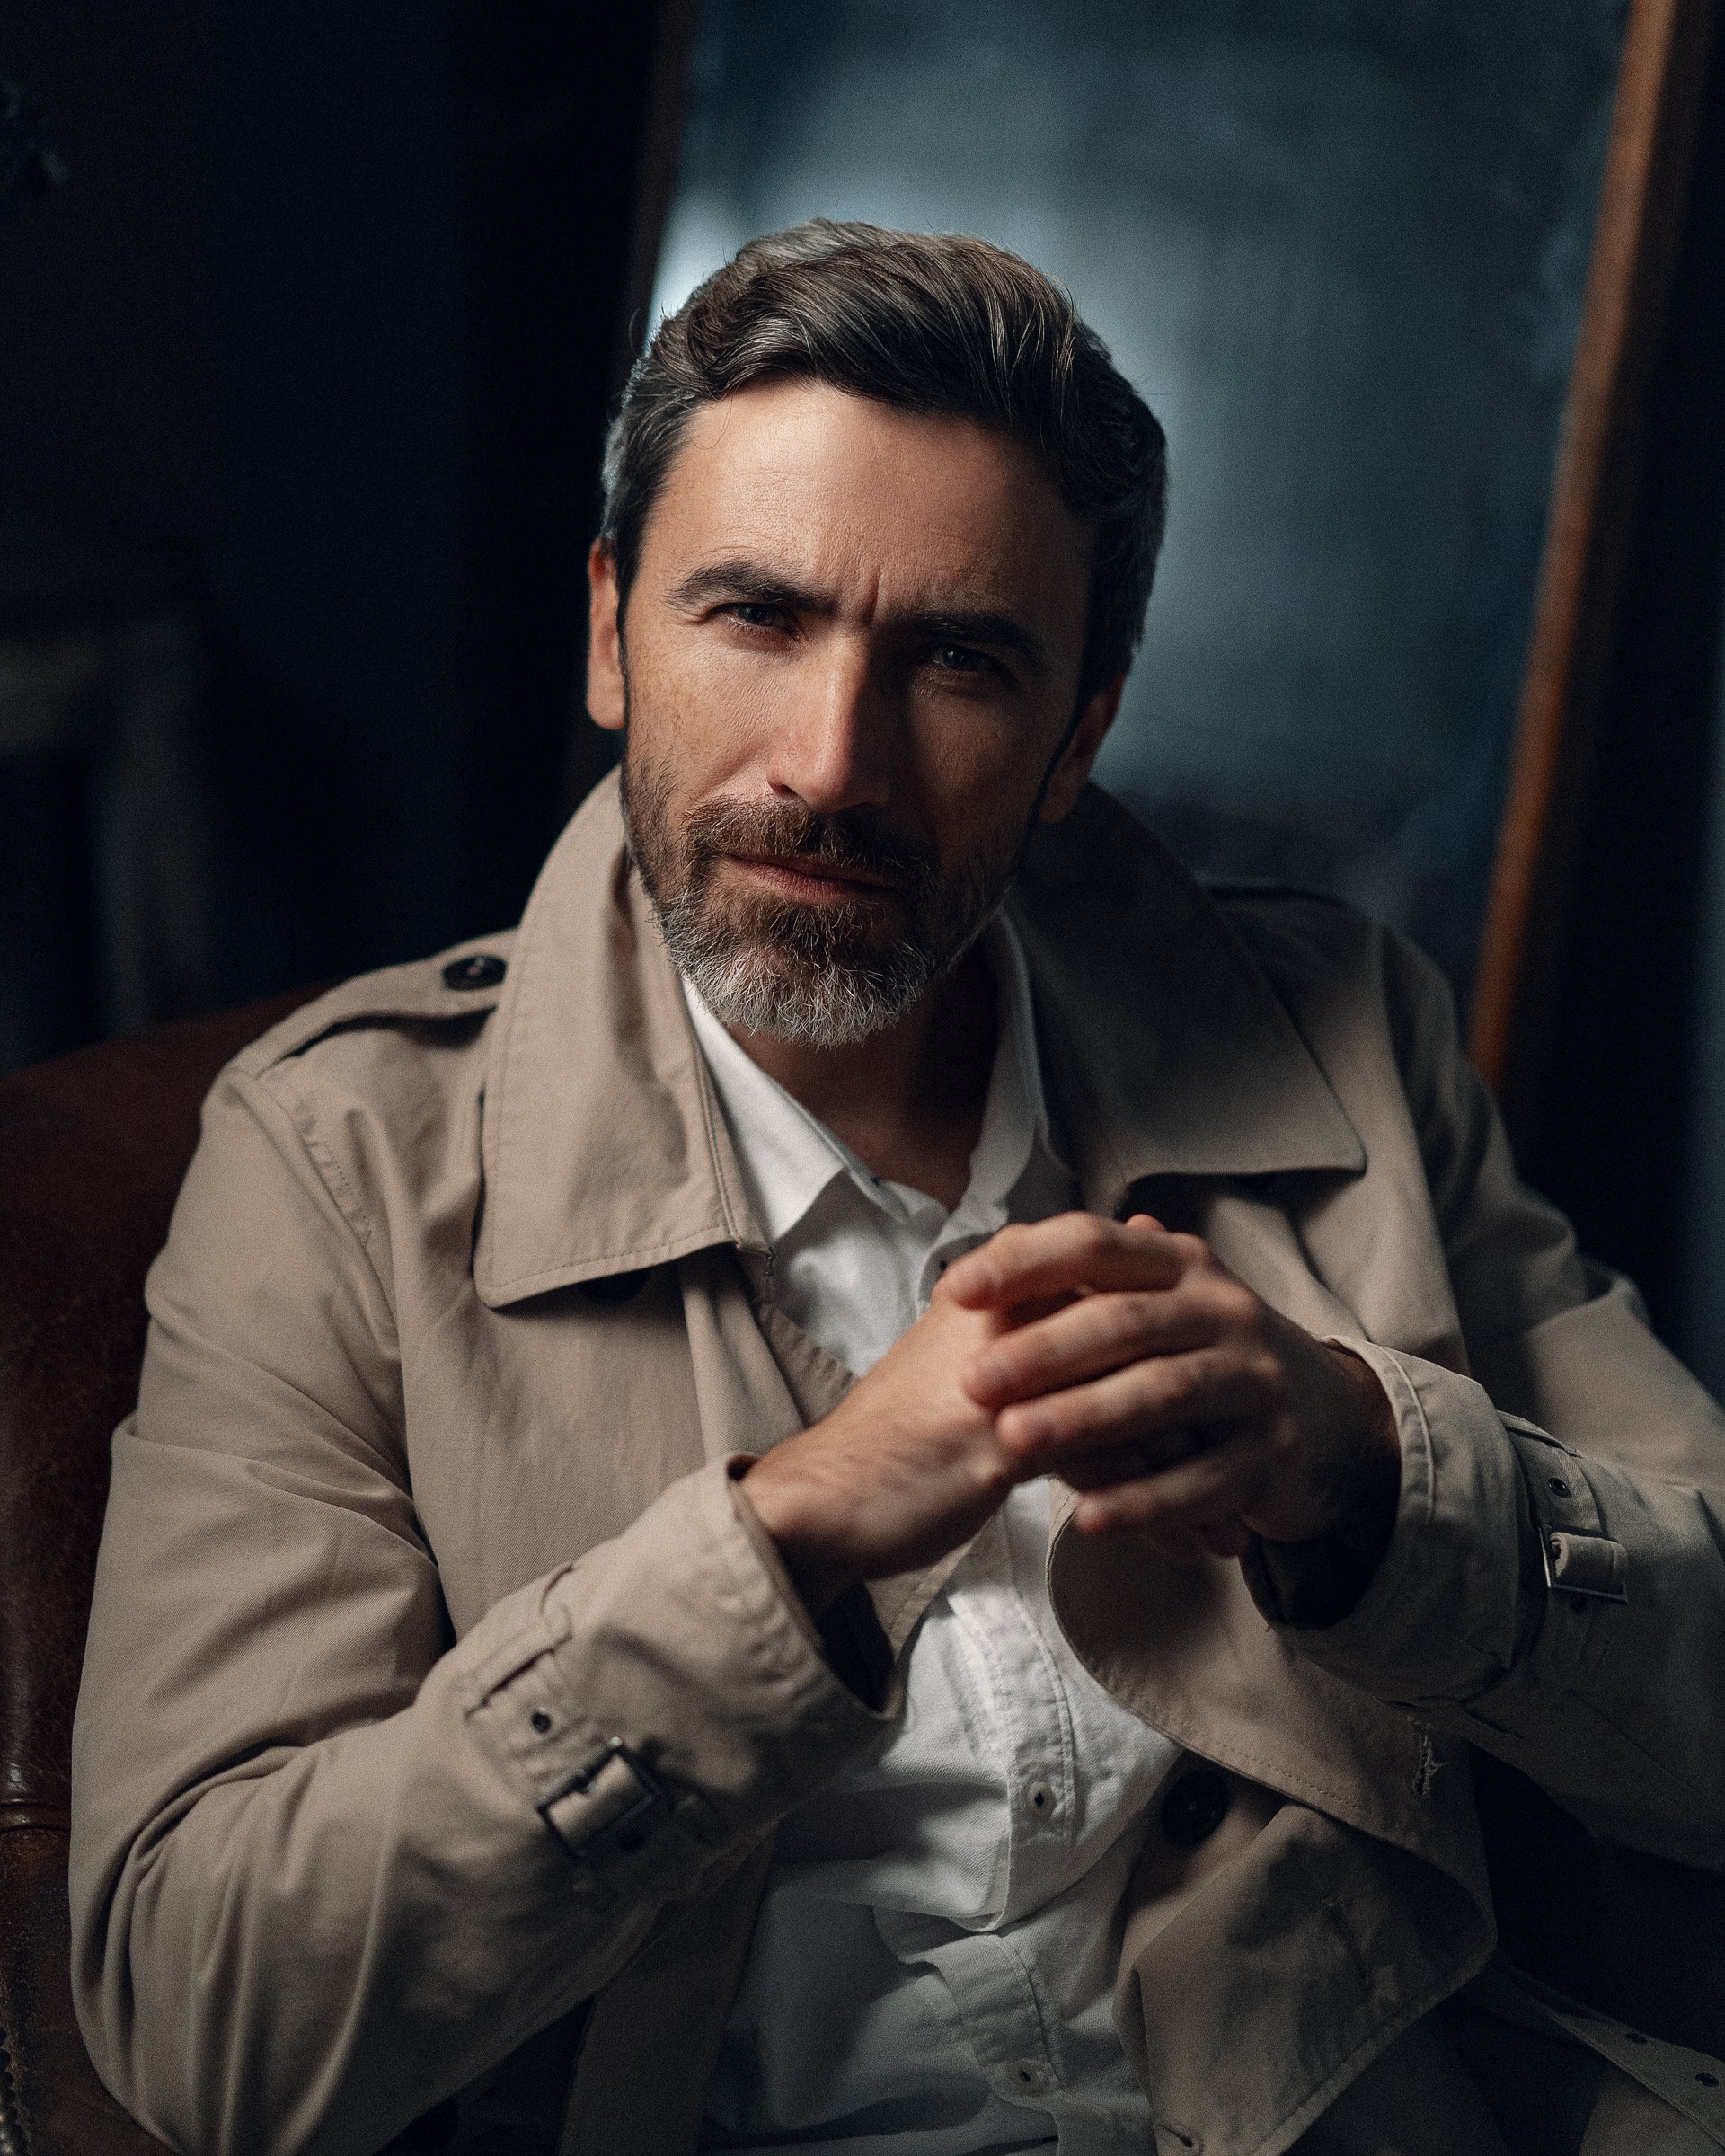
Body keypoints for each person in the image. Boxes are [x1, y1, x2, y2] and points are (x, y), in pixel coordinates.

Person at [69, 221, 1725, 2156]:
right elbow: (206, 2023)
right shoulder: (335, 1168)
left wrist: (1375, 1475)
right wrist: (790, 1539)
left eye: (956, 658)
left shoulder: (1342, 1034)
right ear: (610, 634)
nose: (833, 763)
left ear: (1077, 734)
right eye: (755, 616)